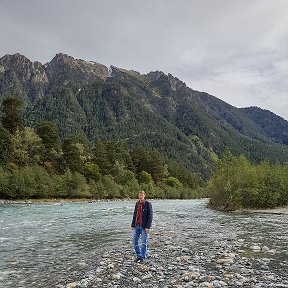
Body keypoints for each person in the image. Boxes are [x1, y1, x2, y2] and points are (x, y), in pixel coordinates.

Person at [131, 190, 153, 262]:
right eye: (139, 195)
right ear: (138, 196)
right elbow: (135, 215)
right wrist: (132, 225)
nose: (140, 197)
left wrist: (148, 227)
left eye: (142, 195)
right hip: (136, 226)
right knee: (134, 241)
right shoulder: (137, 204)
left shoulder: (148, 204)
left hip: (144, 227)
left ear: (144, 196)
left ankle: (143, 257)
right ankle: (139, 256)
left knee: (144, 243)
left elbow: (150, 216)